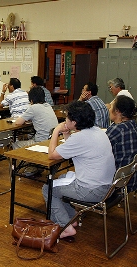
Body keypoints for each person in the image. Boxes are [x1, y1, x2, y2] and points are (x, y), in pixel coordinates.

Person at [44, 101, 115, 239]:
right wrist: (66, 134)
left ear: (74, 122)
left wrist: (55, 132)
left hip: (92, 191)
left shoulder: (81, 138)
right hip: (107, 187)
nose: (65, 120)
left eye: (67, 118)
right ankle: (72, 219)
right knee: (63, 177)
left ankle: (65, 227)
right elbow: (74, 147)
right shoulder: (97, 131)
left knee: (48, 189)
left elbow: (52, 155)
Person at [106, 95, 137, 192]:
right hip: (134, 178)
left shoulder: (116, 129)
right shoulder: (133, 125)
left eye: (111, 107)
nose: (109, 109)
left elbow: (97, 149)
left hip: (118, 182)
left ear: (117, 111)